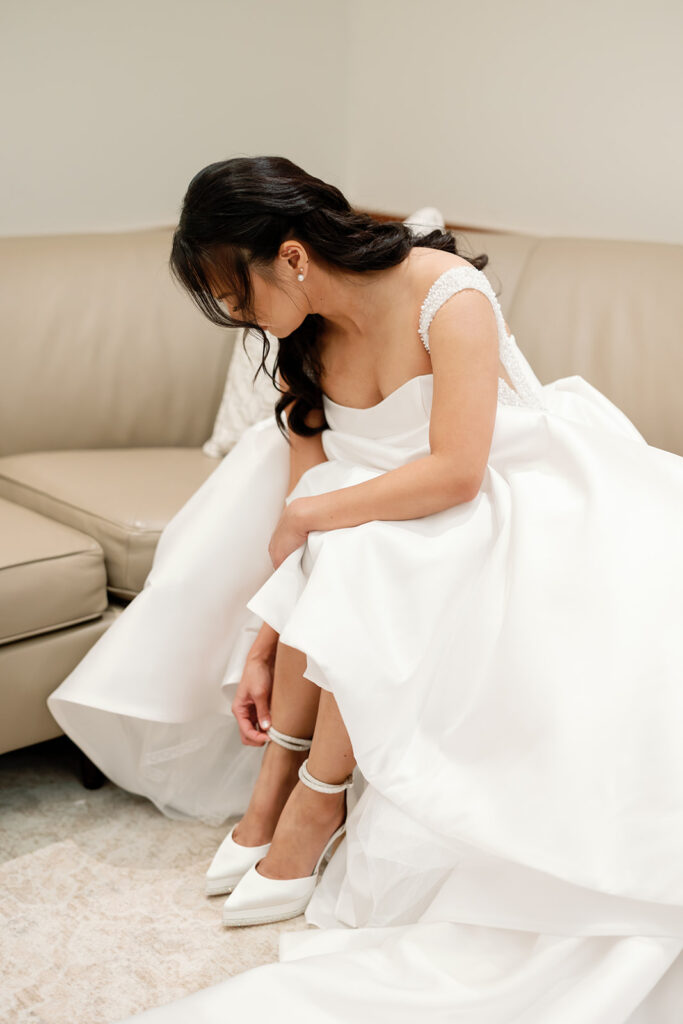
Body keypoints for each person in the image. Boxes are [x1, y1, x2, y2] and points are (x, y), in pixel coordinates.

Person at [51, 155, 683, 1021]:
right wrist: (268, 633)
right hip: (379, 523)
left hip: (509, 492)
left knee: (365, 546)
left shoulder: (446, 295)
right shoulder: (294, 343)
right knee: (355, 544)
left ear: (293, 257)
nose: (237, 316)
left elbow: (457, 472)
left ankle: (305, 806)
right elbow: (313, 491)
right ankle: (282, 792)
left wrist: (312, 527)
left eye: (238, 294)